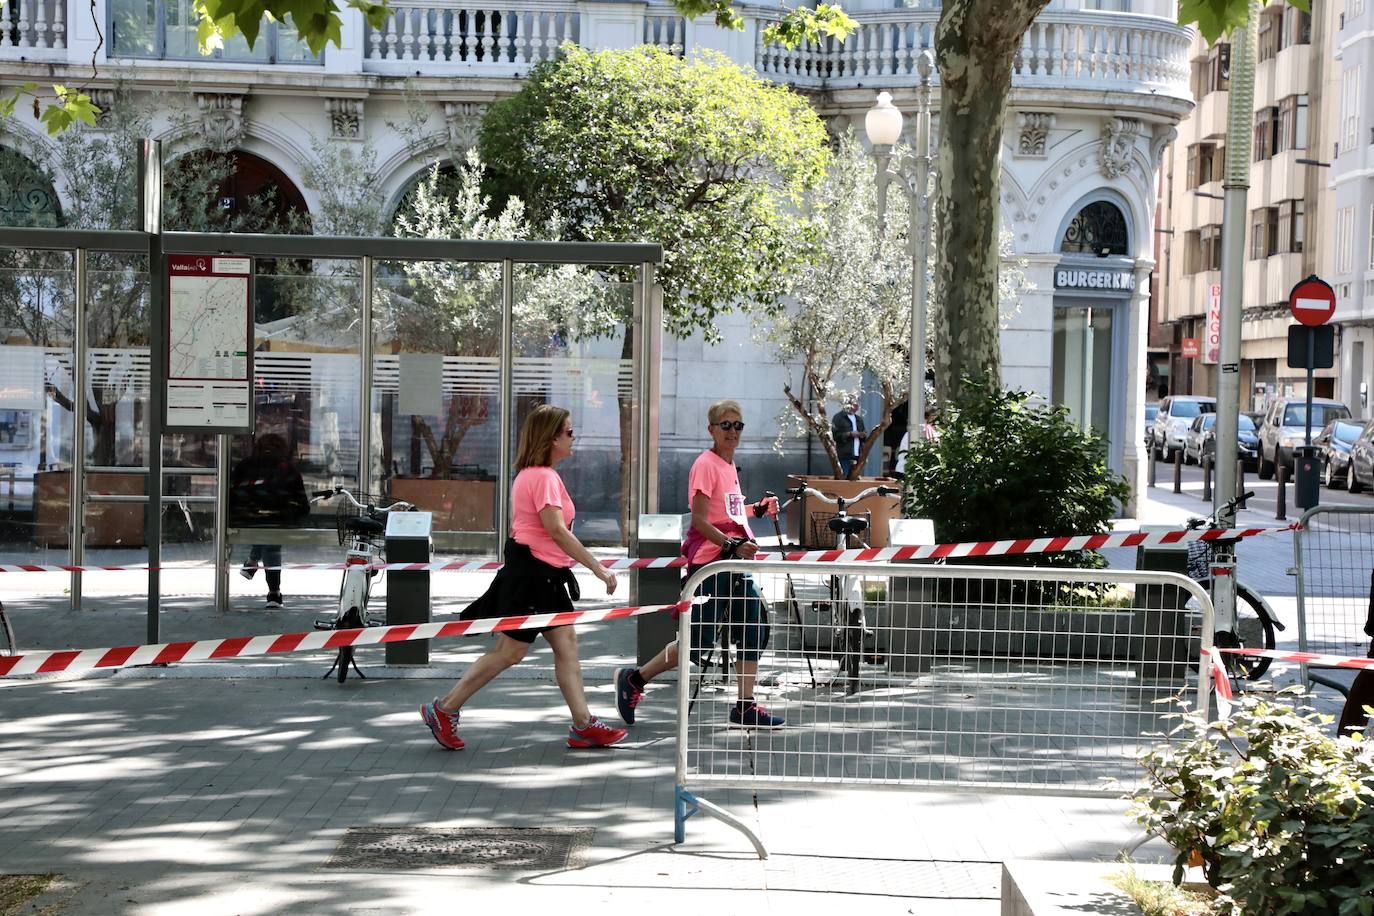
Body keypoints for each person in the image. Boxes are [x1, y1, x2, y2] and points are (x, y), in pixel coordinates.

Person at [421, 404, 627, 751]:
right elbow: (557, 531)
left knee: (564, 647)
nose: (574, 437)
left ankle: (583, 724)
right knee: (510, 653)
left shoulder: (535, 475)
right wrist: (597, 566)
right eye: (570, 431)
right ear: (552, 437)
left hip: (541, 576)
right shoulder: (543, 477)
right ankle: (444, 708)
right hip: (534, 577)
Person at [611, 400, 785, 730]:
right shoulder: (705, 464)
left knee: (752, 629)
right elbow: (701, 521)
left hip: (734, 562)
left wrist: (756, 511)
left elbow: (728, 514)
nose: (733, 431)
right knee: (696, 643)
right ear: (712, 430)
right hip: (712, 563)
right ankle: (636, 678)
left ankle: (745, 706)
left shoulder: (729, 465)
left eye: (738, 425)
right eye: (726, 425)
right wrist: (732, 544)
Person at [229, 433, 308, 609]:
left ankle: (252, 562)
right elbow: (303, 505)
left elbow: (231, 496)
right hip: (279, 520)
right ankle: (274, 592)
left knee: (266, 530)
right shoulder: (288, 469)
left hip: (246, 519)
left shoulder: (244, 466)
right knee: (271, 540)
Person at [894, 406, 939, 476]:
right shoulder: (925, 431)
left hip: (904, 469)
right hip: (909, 471)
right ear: (931, 417)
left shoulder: (911, 432)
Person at [831, 399, 866, 477]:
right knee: (843, 476)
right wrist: (849, 434)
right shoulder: (838, 418)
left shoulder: (858, 419)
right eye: (855, 405)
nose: (857, 408)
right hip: (844, 454)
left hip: (857, 454)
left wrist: (862, 435)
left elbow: (864, 435)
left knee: (855, 478)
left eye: (857, 406)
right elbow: (835, 436)